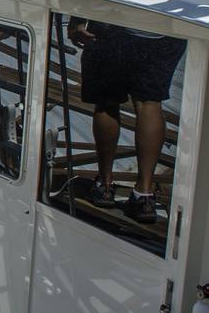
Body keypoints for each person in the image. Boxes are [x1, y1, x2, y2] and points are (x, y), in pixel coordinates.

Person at [69, 19, 185, 223]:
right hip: (165, 31)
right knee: (149, 103)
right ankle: (144, 195)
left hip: (117, 23)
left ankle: (104, 185)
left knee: (107, 101)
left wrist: (77, 20)